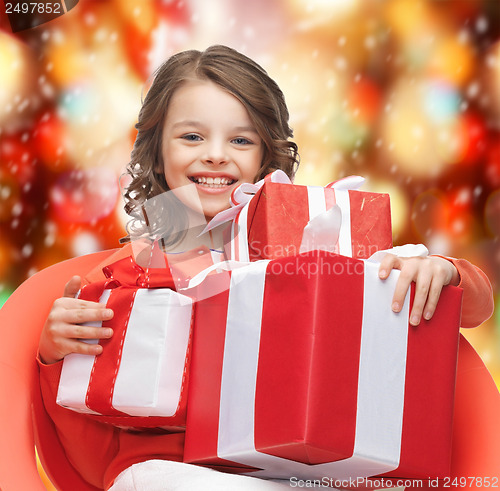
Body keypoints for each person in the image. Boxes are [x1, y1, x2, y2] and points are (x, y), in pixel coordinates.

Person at [37, 45, 494, 490]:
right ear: (157, 151)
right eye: (192, 136)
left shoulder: (312, 234)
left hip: (297, 468)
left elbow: (472, 309)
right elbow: (85, 421)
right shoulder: (134, 266)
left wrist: (444, 272)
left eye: (240, 139)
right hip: (169, 470)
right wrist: (56, 352)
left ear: (265, 155)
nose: (216, 154)